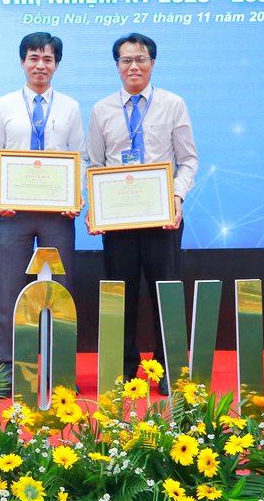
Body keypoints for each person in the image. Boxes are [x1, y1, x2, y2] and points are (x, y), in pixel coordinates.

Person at [86, 32, 198, 393]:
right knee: (121, 293)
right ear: (117, 65)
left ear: (152, 63)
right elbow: (95, 165)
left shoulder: (173, 104)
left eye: (140, 59)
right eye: (126, 60)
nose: (133, 66)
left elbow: (188, 160)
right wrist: (95, 207)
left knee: (166, 293)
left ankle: (169, 367)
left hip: (163, 217)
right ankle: (123, 367)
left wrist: (177, 197)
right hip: (118, 220)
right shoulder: (101, 109)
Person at [0, 33, 84, 386]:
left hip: (58, 214)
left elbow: (80, 157)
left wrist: (77, 195)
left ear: (56, 64)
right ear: (23, 62)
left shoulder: (70, 107)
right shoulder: (4, 105)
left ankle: (59, 373)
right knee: (8, 290)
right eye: (34, 58)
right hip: (14, 213)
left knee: (59, 290)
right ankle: (6, 372)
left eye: (48, 59)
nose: (41, 65)